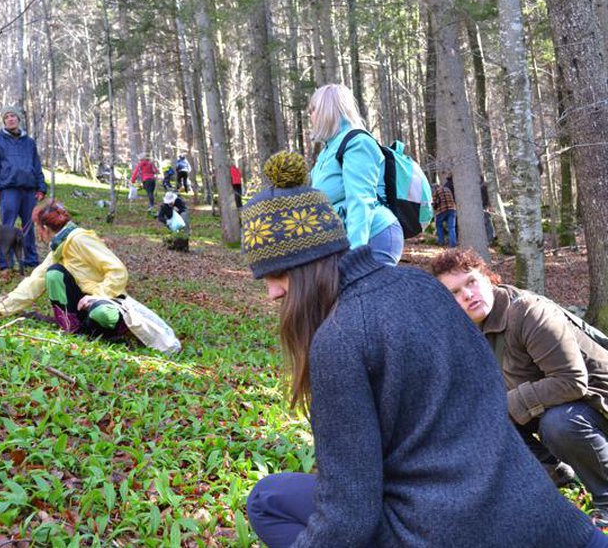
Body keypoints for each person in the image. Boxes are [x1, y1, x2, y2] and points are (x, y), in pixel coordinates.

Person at [243, 151, 607, 547]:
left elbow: (349, 514)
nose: (272, 291)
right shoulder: (422, 288)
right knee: (273, 495)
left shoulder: (339, 338)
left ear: (306, 267)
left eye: (277, 275)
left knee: (267, 500)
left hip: (444, 531)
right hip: (548, 521)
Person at [431, 248, 608, 526]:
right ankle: (557, 478)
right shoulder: (466, 333)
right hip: (554, 408)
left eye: (471, 282)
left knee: (559, 423)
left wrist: (501, 406)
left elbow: (571, 381)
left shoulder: (528, 312)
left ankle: (606, 502)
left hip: (595, 404)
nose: (466, 295)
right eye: (454, 292)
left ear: (489, 279)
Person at [0, 200, 132, 340]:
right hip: (82, 304)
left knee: (103, 315)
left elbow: (118, 271)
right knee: (54, 273)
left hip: (105, 300)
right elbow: (34, 282)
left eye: (38, 229)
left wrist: (98, 296)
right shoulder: (58, 249)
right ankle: (73, 327)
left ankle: (114, 330)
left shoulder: (79, 239)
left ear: (44, 228)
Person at [308, 83, 403, 265]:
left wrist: (355, 255)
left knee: (368, 294)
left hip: (374, 237)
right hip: (343, 243)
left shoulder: (357, 142)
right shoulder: (328, 149)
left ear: (327, 110)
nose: (310, 116)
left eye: (313, 110)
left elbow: (361, 200)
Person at [0, 105, 46, 271]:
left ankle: (31, 260)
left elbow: (37, 166)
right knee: (8, 227)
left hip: (29, 190)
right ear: (4, 120)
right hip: (8, 190)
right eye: (7, 116)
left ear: (19, 119)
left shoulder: (29, 142)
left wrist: (41, 187)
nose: (11, 119)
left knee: (28, 227)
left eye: (13, 116)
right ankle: (6, 263)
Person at [432, 178, 458, 247]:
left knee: (438, 225)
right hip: (452, 209)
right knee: (451, 227)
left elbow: (434, 203)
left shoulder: (436, 192)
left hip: (442, 210)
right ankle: (453, 244)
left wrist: (434, 207)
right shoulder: (447, 189)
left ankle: (441, 242)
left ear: (434, 188)